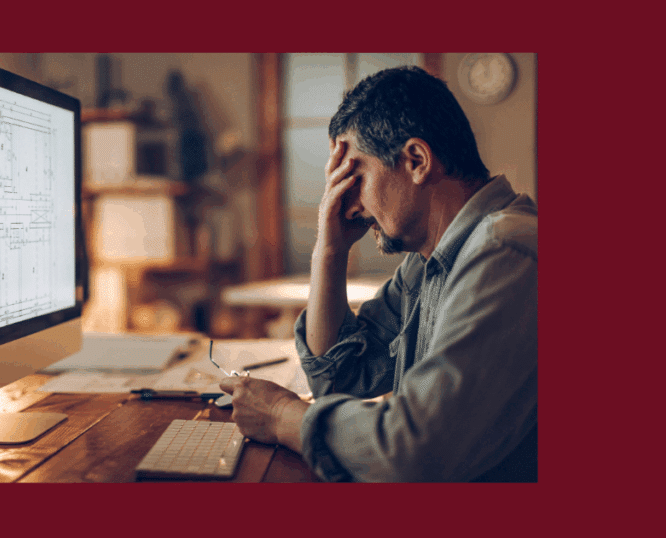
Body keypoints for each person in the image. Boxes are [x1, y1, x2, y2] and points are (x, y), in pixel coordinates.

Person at [218, 65, 537, 482]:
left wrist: (281, 415)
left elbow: (415, 448)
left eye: (354, 178)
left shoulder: (504, 252)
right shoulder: (428, 262)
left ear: (417, 161)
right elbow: (339, 378)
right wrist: (330, 250)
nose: (348, 206)